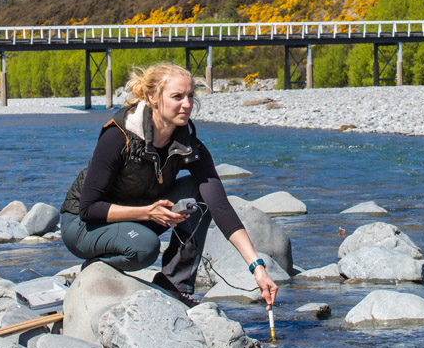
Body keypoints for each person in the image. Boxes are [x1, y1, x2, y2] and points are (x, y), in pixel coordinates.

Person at [61, 63, 278, 309]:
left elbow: (220, 206)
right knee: (145, 248)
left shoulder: (189, 145)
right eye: (177, 97)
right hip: (84, 225)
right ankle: (95, 272)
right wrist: (147, 212)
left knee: (199, 195)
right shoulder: (118, 136)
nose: (187, 104)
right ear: (152, 97)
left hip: (137, 215)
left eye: (190, 96)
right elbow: (88, 209)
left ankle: (174, 286)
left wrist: (256, 266)